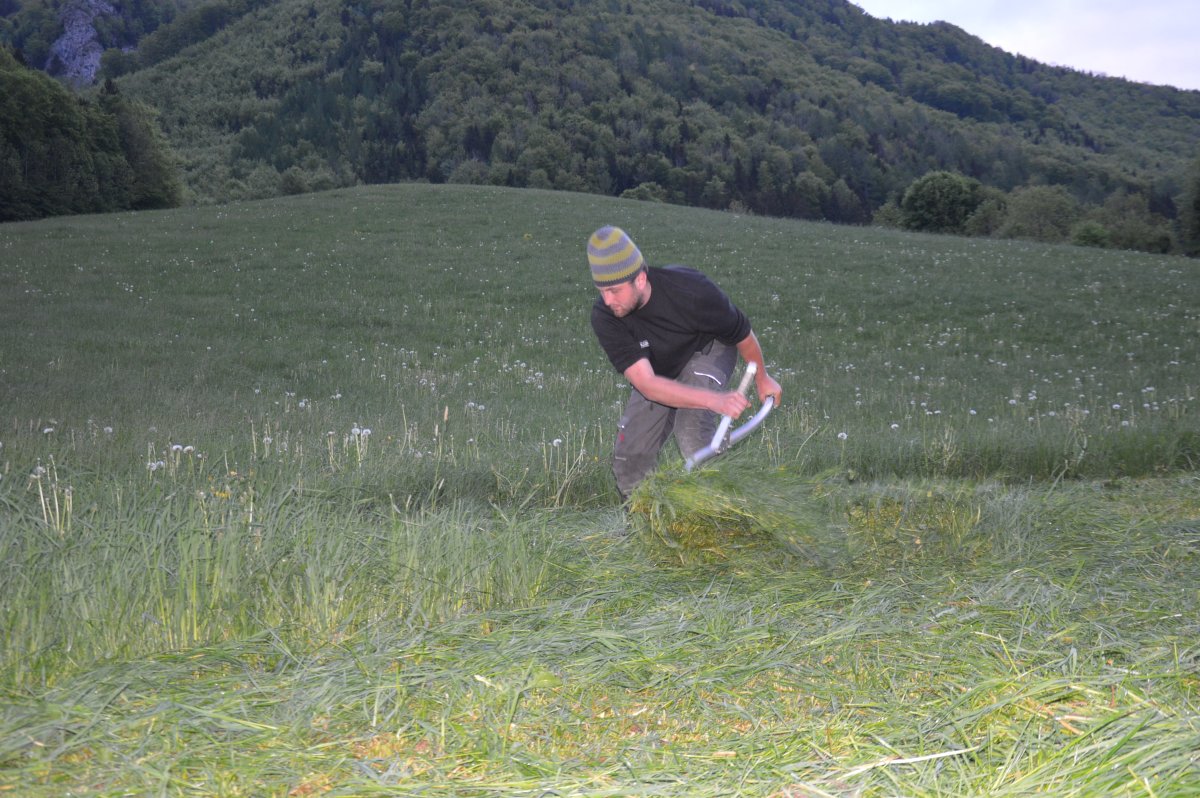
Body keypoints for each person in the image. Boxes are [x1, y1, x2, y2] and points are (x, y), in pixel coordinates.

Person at [587, 225, 782, 499]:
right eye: (602, 291)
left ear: (640, 280)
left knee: (693, 432)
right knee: (630, 456)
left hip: (708, 349)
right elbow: (647, 384)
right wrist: (715, 400)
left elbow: (742, 333)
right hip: (660, 370)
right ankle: (643, 519)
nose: (608, 300)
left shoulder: (690, 291)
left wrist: (762, 378)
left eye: (614, 290)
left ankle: (724, 511)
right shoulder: (605, 317)